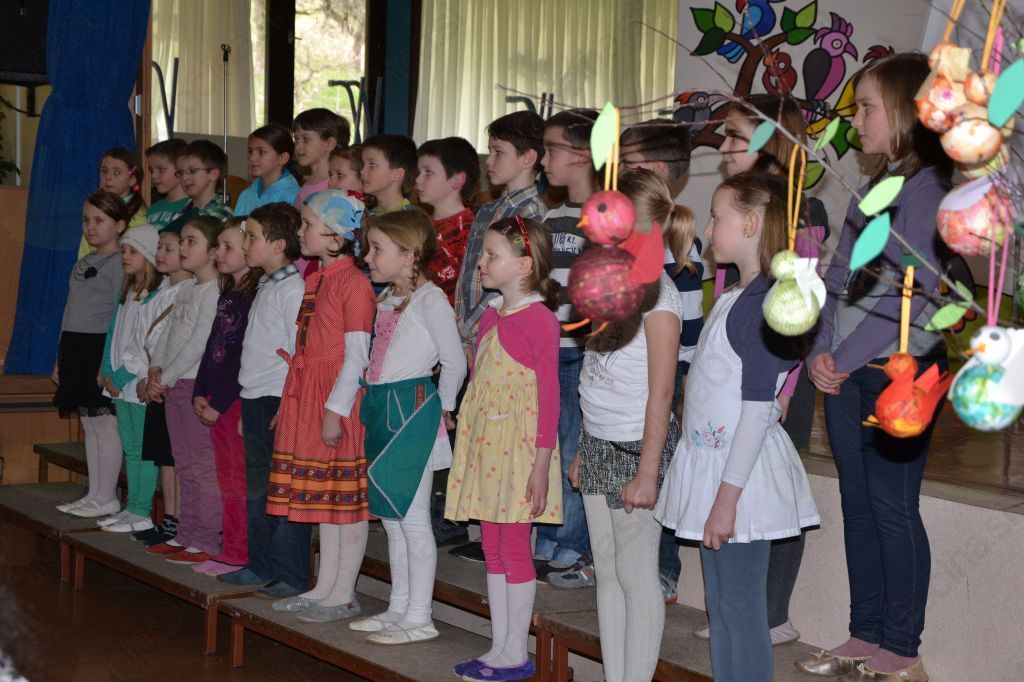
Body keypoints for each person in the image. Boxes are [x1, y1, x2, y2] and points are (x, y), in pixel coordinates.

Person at [797, 53, 953, 682]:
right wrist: (819, 349)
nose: (855, 120)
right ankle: (864, 632)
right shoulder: (871, 189)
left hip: (902, 373)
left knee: (892, 505)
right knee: (858, 503)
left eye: (866, 107)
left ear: (909, 113)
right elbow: (837, 278)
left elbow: (910, 296)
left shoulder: (932, 189)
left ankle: (902, 647)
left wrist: (841, 357)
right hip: (845, 369)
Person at [656, 171, 819, 682]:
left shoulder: (764, 303)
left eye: (716, 217)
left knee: (742, 612)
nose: (708, 228)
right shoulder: (737, 295)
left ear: (750, 223)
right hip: (716, 468)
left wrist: (726, 499)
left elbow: (755, 408)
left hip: (739, 480)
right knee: (722, 608)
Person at [694, 93, 831, 644]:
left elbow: (801, 305)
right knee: (729, 476)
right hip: (737, 372)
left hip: (779, 378)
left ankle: (772, 613)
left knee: (773, 487)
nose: (724, 146)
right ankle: (734, 604)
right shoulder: (732, 213)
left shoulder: (803, 213)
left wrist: (787, 386)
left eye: (735, 134)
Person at [569, 170, 688, 682]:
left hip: (638, 448)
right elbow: (593, 375)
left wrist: (647, 473)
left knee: (637, 576)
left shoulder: (660, 298)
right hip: (599, 441)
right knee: (607, 570)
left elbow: (662, 393)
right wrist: (582, 446)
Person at [446, 217, 562, 682]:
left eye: (492, 255)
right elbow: (481, 386)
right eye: (483, 253)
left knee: (513, 547)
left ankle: (516, 651)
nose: (481, 262)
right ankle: (499, 645)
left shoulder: (540, 319)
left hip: (519, 453)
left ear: (525, 265)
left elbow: (550, 396)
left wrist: (541, 465)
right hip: (489, 449)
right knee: (491, 546)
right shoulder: (493, 314)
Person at [347, 210, 466, 644]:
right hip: (384, 410)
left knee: (413, 521)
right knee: (392, 518)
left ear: (409, 254)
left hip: (412, 415)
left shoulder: (430, 300)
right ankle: (398, 608)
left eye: (377, 248)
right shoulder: (387, 298)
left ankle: (420, 617)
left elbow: (454, 360)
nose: (368, 256)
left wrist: (445, 408)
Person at [264, 191, 376, 621]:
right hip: (311, 393)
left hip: (337, 400)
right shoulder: (316, 279)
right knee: (325, 499)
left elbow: (356, 356)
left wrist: (335, 410)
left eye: (308, 224)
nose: (300, 231)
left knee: (345, 500)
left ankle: (344, 593)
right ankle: (324, 586)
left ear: (335, 236)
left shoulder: (355, 284)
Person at [447, 110, 548, 560]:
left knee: (507, 432)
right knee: (480, 427)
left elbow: (511, 288)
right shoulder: (489, 210)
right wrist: (462, 329)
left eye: (499, 152)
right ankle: (484, 523)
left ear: (529, 157)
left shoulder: (533, 212)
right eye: (489, 151)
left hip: (498, 333)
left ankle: (515, 532)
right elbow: (471, 277)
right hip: (475, 332)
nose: (490, 161)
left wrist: (474, 329)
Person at [618, 123, 705, 602]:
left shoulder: (679, 244)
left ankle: (664, 568)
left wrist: (678, 374)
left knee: (662, 465)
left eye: (628, 163)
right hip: (635, 371)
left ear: (652, 170)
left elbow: (687, 324)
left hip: (671, 370)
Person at [219, 202, 310, 596]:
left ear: (277, 245)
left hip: (278, 401)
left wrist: (289, 405)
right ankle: (260, 564)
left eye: (252, 237)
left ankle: (291, 573)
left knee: (284, 491)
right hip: (257, 399)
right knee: (258, 488)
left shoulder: (293, 290)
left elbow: (299, 354)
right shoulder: (266, 285)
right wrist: (246, 400)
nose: (245, 244)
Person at [536, 108, 598, 589]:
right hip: (547, 345)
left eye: (551, 150)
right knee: (547, 442)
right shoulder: (553, 216)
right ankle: (547, 532)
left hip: (582, 348)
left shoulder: (606, 216)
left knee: (574, 444)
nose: (544, 160)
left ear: (581, 155)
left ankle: (572, 540)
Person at [144, 216, 223, 564]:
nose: (184, 248)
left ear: (213, 251)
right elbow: (168, 336)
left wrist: (167, 377)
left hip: (191, 383)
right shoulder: (189, 288)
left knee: (202, 466)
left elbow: (198, 343)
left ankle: (207, 538)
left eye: (192, 242)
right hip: (174, 383)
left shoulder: (215, 291)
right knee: (183, 465)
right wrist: (155, 368)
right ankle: (185, 534)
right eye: (183, 242)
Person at [189, 218, 262, 576]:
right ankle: (228, 547)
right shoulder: (228, 295)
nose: (218, 252)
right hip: (216, 400)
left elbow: (242, 357)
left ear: (249, 251)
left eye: (227, 246)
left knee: (239, 479)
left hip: (234, 402)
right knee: (226, 478)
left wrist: (219, 401)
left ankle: (241, 551)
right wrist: (200, 391)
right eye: (217, 245)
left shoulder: (254, 298)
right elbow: (212, 349)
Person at [54, 191, 129, 519]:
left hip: (98, 347)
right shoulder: (82, 263)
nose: (91, 227)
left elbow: (118, 313)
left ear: (119, 226)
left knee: (105, 423)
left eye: (100, 220)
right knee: (88, 422)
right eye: (86, 220)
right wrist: (60, 356)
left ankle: (107, 496)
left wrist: (107, 360)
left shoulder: (119, 264)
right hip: (75, 346)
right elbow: (69, 309)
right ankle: (95, 494)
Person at [97, 224, 163, 533]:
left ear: (148, 254)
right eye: (123, 250)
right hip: (118, 384)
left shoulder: (154, 297)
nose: (125, 255)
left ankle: (141, 510)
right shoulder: (127, 292)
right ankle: (132, 508)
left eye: (132, 251)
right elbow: (113, 333)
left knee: (142, 449)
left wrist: (121, 376)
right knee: (130, 448)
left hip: (136, 384)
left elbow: (142, 346)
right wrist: (105, 369)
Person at [131, 229, 194, 546]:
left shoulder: (190, 291)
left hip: (174, 382)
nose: (160, 254)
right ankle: (170, 517)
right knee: (164, 458)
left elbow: (182, 343)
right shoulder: (161, 291)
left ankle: (182, 520)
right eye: (159, 247)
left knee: (178, 457)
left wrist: (161, 378)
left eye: (169, 248)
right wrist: (146, 376)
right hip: (157, 380)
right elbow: (147, 340)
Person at [415, 136, 479, 304]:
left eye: (428, 172)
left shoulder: (470, 230)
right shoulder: (420, 224)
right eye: (419, 172)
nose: (418, 179)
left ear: (457, 180)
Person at [77, 149, 149, 258]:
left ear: (132, 179)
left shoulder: (139, 217)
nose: (108, 177)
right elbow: (84, 252)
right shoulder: (93, 208)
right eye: (104, 171)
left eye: (117, 172)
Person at [161, 140, 234, 234]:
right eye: (181, 172)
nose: (184, 177)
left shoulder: (222, 216)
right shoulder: (178, 215)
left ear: (213, 174)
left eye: (192, 171)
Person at [234, 123, 302, 215]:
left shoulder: (294, 197)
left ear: (283, 158)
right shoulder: (246, 195)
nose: (252, 158)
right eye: (250, 151)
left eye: (261, 152)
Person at [292, 108, 350, 207]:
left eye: (306, 139)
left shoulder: (334, 188)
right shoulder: (307, 183)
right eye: (296, 139)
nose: (298, 146)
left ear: (329, 144)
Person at [361, 133, 419, 215]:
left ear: (397, 174)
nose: (362, 171)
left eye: (372, 165)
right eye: (363, 164)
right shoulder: (366, 216)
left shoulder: (412, 219)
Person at [145, 139, 190, 229]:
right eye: (151, 170)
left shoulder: (193, 206)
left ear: (180, 169)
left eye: (161, 169)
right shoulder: (153, 209)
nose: (153, 175)